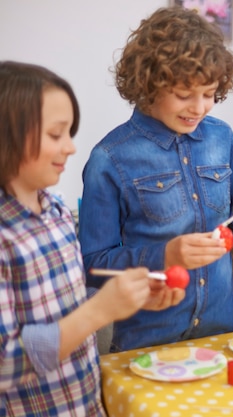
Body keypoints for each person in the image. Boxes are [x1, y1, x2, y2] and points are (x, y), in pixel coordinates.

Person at [78, 7, 233, 352]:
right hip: (147, 345)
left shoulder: (222, 139)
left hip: (221, 336)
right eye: (184, 95)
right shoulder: (109, 159)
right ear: (149, 83)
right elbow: (92, 267)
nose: (199, 108)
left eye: (210, 94)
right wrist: (165, 255)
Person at [0, 61, 177, 415]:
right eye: (55, 134)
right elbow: (6, 364)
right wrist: (100, 310)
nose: (70, 148)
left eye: (70, 133)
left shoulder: (57, 212)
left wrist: (130, 298)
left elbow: (69, 305)